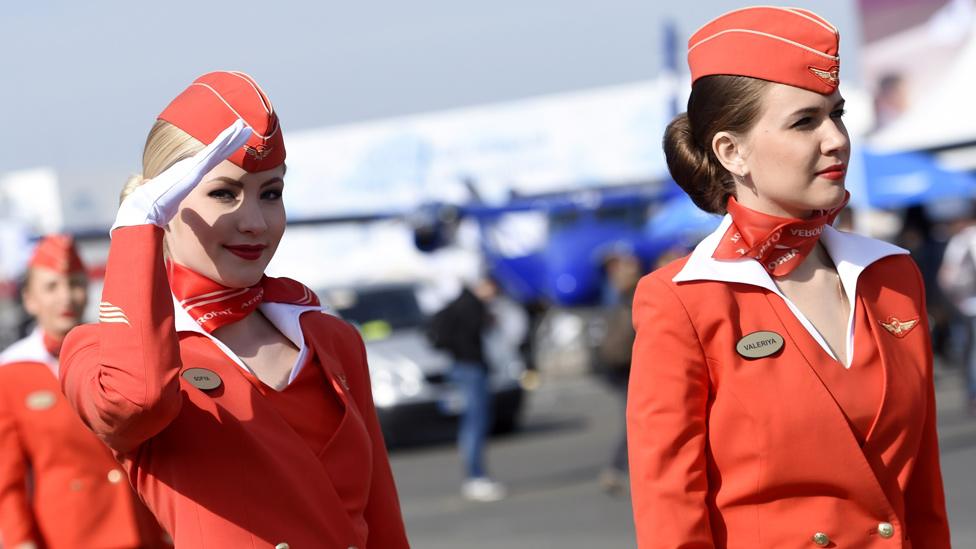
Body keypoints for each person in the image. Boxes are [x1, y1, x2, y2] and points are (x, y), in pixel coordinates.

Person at [627, 7, 951, 548]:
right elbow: (670, 516)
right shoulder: (683, 302)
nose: (837, 139)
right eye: (805, 122)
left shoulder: (891, 275)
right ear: (731, 151)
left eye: (837, 114)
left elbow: (922, 491)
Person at [59, 71, 409, 549]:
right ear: (166, 202)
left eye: (271, 193)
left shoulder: (330, 339)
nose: (255, 222)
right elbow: (137, 401)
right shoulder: (100, 353)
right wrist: (138, 226)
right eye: (224, 193)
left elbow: (384, 523)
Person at [0, 235, 169, 549]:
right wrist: (21, 542)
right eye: (51, 287)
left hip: (148, 529)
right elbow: (7, 482)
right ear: (29, 299)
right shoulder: (10, 372)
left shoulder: (121, 350)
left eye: (75, 284)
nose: (66, 297)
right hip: (72, 536)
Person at [428, 276, 506, 502]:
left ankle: (476, 476)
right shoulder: (471, 305)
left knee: (472, 421)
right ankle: (476, 477)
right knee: (475, 422)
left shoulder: (458, 303)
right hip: (470, 366)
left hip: (461, 365)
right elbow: (470, 336)